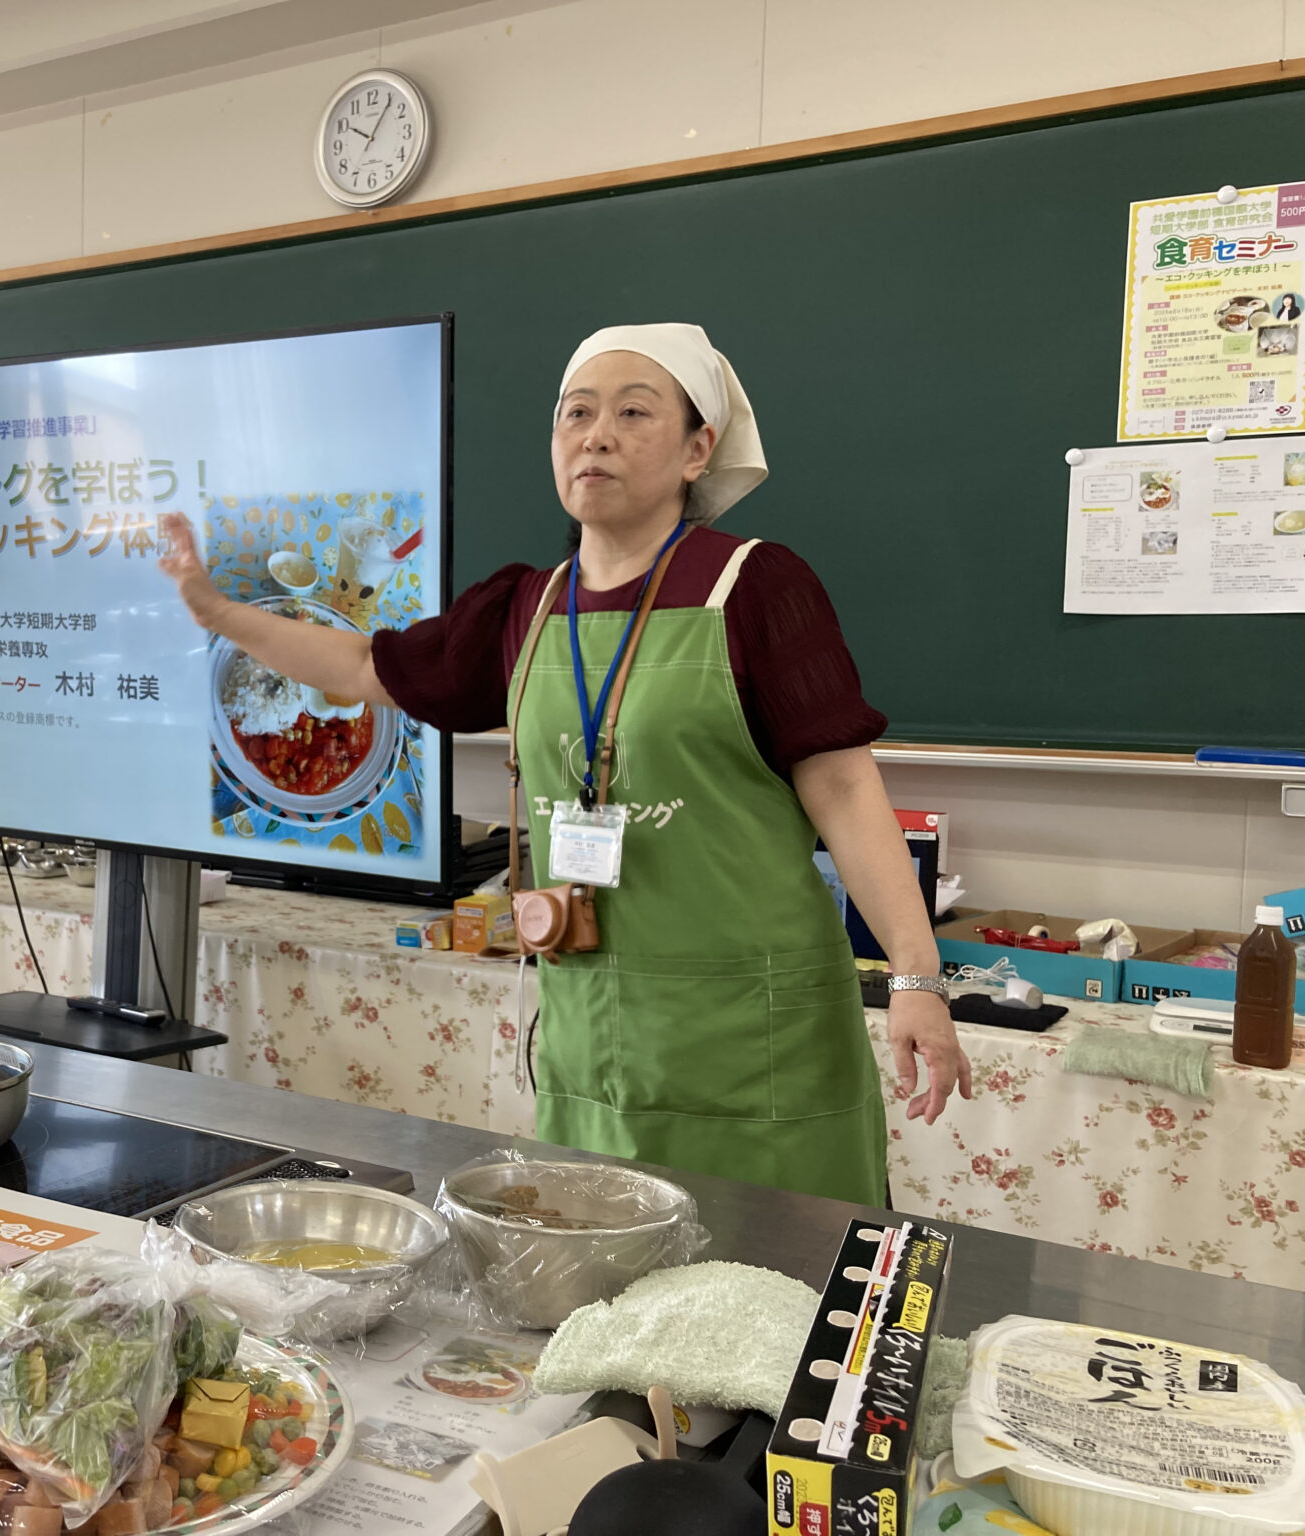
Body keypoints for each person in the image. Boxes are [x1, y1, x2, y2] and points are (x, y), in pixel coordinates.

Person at [158, 324, 969, 1208]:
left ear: (700, 448)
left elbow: (846, 788)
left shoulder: (757, 588)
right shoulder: (522, 609)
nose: (596, 434)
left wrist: (916, 977)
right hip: (592, 1039)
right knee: (609, 1298)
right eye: (576, 414)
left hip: (756, 1041)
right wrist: (215, 610)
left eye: (632, 412)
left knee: (773, 1301)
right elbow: (362, 668)